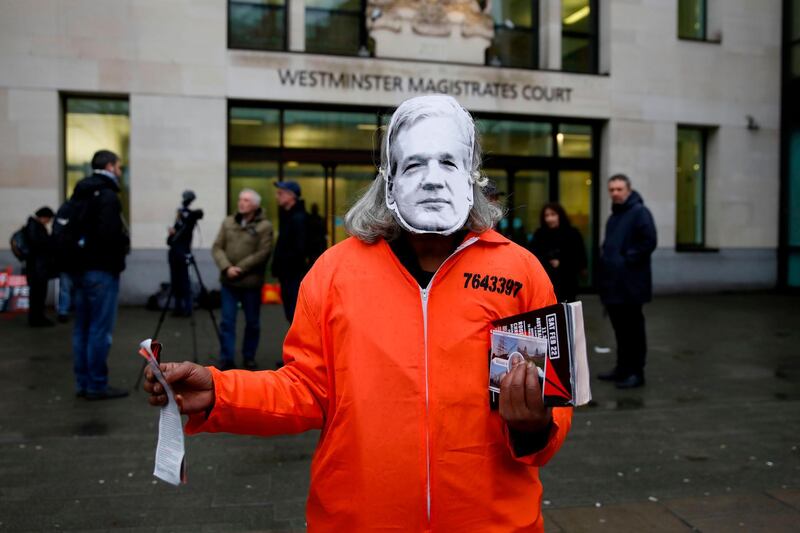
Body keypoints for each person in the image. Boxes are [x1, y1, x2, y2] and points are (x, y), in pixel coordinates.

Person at [145, 95, 572, 532]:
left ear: (471, 176)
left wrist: (535, 424)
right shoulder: (335, 272)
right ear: (388, 180)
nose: (431, 180)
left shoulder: (519, 271)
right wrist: (219, 392)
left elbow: (554, 402)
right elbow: (305, 389)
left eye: (448, 163)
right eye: (413, 165)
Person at [72, 150, 130, 400]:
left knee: (81, 329)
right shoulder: (107, 195)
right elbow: (109, 235)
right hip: (102, 271)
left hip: (80, 270)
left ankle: (83, 382)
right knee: (99, 330)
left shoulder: (80, 192)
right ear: (109, 166)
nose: (120, 170)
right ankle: (96, 384)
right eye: (118, 166)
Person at [597, 174, 657, 389]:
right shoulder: (615, 216)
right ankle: (622, 369)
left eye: (619, 189)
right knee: (620, 332)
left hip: (631, 286)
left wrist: (625, 259)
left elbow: (649, 241)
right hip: (614, 286)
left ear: (628, 190)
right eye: (611, 189)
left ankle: (636, 372)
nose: (615, 193)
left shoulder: (639, 212)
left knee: (633, 332)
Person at [212, 189, 273, 371]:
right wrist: (227, 267)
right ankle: (226, 358)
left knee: (252, 323)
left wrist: (240, 268)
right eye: (240, 199)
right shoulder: (228, 222)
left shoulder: (265, 226)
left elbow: (263, 252)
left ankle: (249, 357)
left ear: (255, 205)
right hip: (228, 282)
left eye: (246, 200)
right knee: (227, 322)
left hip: (250, 283)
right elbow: (217, 247)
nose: (241, 203)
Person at [529, 203, 587, 302]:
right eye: (547, 215)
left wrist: (562, 262)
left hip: (567, 282)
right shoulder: (540, 234)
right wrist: (547, 261)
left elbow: (579, 256)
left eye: (553, 214)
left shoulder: (572, 233)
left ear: (560, 215)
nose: (550, 219)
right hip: (546, 281)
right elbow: (532, 255)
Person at [271, 181, 309, 323]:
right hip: (288, 275)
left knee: (295, 316)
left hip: (293, 276)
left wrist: (283, 264)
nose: (277, 196)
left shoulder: (298, 218)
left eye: (280, 193)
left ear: (291, 196)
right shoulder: (288, 216)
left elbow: (299, 250)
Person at [167, 190, 203, 317]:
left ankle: (187, 307)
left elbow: (197, 216)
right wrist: (172, 234)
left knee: (184, 281)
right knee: (176, 281)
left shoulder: (190, 217)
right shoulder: (181, 217)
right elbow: (170, 240)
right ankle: (178, 307)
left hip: (183, 252)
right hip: (175, 252)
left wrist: (188, 215)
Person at [24, 206, 55, 327]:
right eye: (49, 218)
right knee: (37, 295)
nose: (49, 221)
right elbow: (39, 246)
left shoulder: (34, 226)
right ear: (44, 217)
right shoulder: (35, 227)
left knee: (38, 295)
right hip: (37, 269)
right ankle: (36, 319)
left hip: (37, 268)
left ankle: (38, 317)